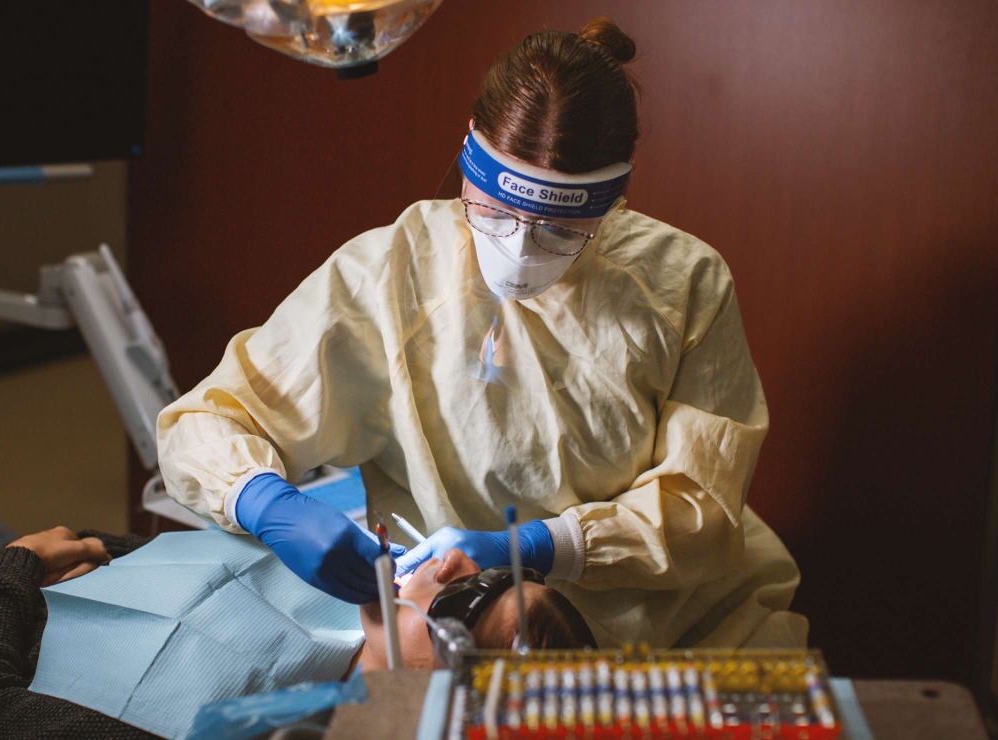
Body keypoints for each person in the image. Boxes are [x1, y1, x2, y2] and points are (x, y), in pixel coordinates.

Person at [157, 17, 808, 648]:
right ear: (469, 151)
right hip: (464, 619)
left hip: (681, 622)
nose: (521, 251)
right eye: (494, 213)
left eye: (559, 229)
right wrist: (265, 502)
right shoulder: (390, 275)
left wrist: (542, 546)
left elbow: (702, 508)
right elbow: (205, 426)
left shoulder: (682, 287)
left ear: (613, 197)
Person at [0, 423, 594, 740]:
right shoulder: (346, 633)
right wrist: (94, 548)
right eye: (487, 570)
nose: (449, 562)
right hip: (31, 579)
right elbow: (190, 578)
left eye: (463, 602)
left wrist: (10, 570)